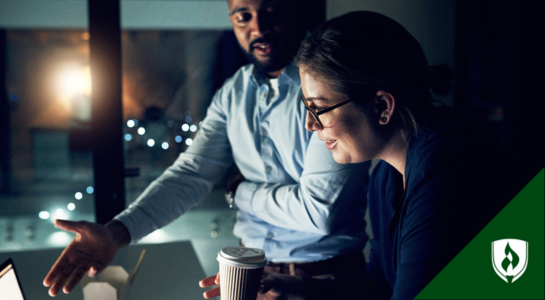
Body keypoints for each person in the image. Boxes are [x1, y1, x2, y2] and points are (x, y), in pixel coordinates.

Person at [43, 0, 371, 297]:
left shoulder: (330, 86)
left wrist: (238, 191)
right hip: (251, 279)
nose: (258, 27)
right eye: (243, 16)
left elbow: (320, 212)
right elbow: (191, 174)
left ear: (296, 9)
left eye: (271, 10)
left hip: (328, 281)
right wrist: (116, 233)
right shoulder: (234, 92)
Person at [252, 11, 521, 300]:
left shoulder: (447, 167)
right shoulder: (386, 173)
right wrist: (295, 286)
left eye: (318, 108)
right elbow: (379, 287)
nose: (310, 124)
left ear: (382, 106)